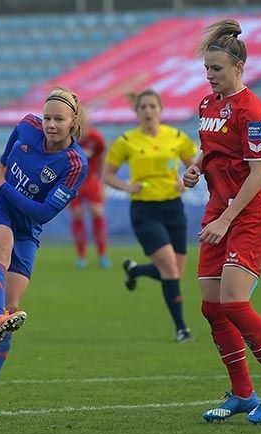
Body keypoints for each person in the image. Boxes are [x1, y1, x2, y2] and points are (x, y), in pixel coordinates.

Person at [184, 19, 261, 424]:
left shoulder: (252, 110)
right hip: (219, 210)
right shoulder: (207, 105)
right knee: (212, 309)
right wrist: (196, 167)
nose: (210, 75)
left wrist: (225, 219)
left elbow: (258, 174)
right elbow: (209, 148)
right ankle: (242, 393)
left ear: (239, 67)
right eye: (206, 69)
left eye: (216, 69)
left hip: (249, 214)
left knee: (234, 303)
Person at [0, 88, 88, 418]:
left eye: (58, 119)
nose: (50, 124)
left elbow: (44, 213)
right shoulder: (25, 126)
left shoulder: (75, 164)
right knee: (0, 250)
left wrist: (2, 182)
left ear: (73, 121)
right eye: (47, 117)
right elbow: (2, 166)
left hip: (28, 226)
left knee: (12, 308)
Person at [103, 89, 196, 343]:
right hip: (145, 210)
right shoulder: (126, 140)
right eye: (143, 107)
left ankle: (136, 270)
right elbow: (107, 174)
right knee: (168, 266)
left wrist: (186, 181)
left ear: (160, 109)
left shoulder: (176, 137)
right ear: (137, 111)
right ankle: (181, 329)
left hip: (173, 208)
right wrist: (127, 187)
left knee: (176, 271)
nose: (148, 111)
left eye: (152, 106)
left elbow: (196, 167)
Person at [69, 112, 111, 269]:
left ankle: (103, 254)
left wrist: (104, 183)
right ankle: (81, 255)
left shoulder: (96, 138)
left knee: (97, 212)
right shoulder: (69, 139)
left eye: (86, 123)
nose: (84, 127)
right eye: (81, 124)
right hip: (74, 182)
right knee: (77, 214)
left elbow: (104, 158)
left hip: (92, 179)